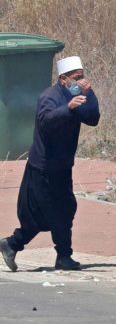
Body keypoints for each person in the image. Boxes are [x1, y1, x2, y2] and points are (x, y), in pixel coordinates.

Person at [0, 56, 100, 271]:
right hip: (43, 167)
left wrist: (89, 93)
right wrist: (68, 108)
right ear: (63, 79)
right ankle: (18, 244)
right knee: (48, 212)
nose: (80, 82)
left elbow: (93, 118)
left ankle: (55, 254)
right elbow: (45, 123)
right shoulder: (50, 96)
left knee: (64, 209)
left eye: (82, 77)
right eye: (76, 78)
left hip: (62, 165)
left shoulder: (77, 95)